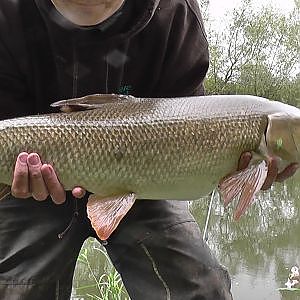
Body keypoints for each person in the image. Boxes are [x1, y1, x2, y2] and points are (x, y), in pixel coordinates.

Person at [0, 1, 298, 299]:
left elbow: (188, 113)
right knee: (15, 288)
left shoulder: (176, 12)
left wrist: (246, 171)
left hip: (148, 187)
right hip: (31, 183)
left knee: (202, 288)